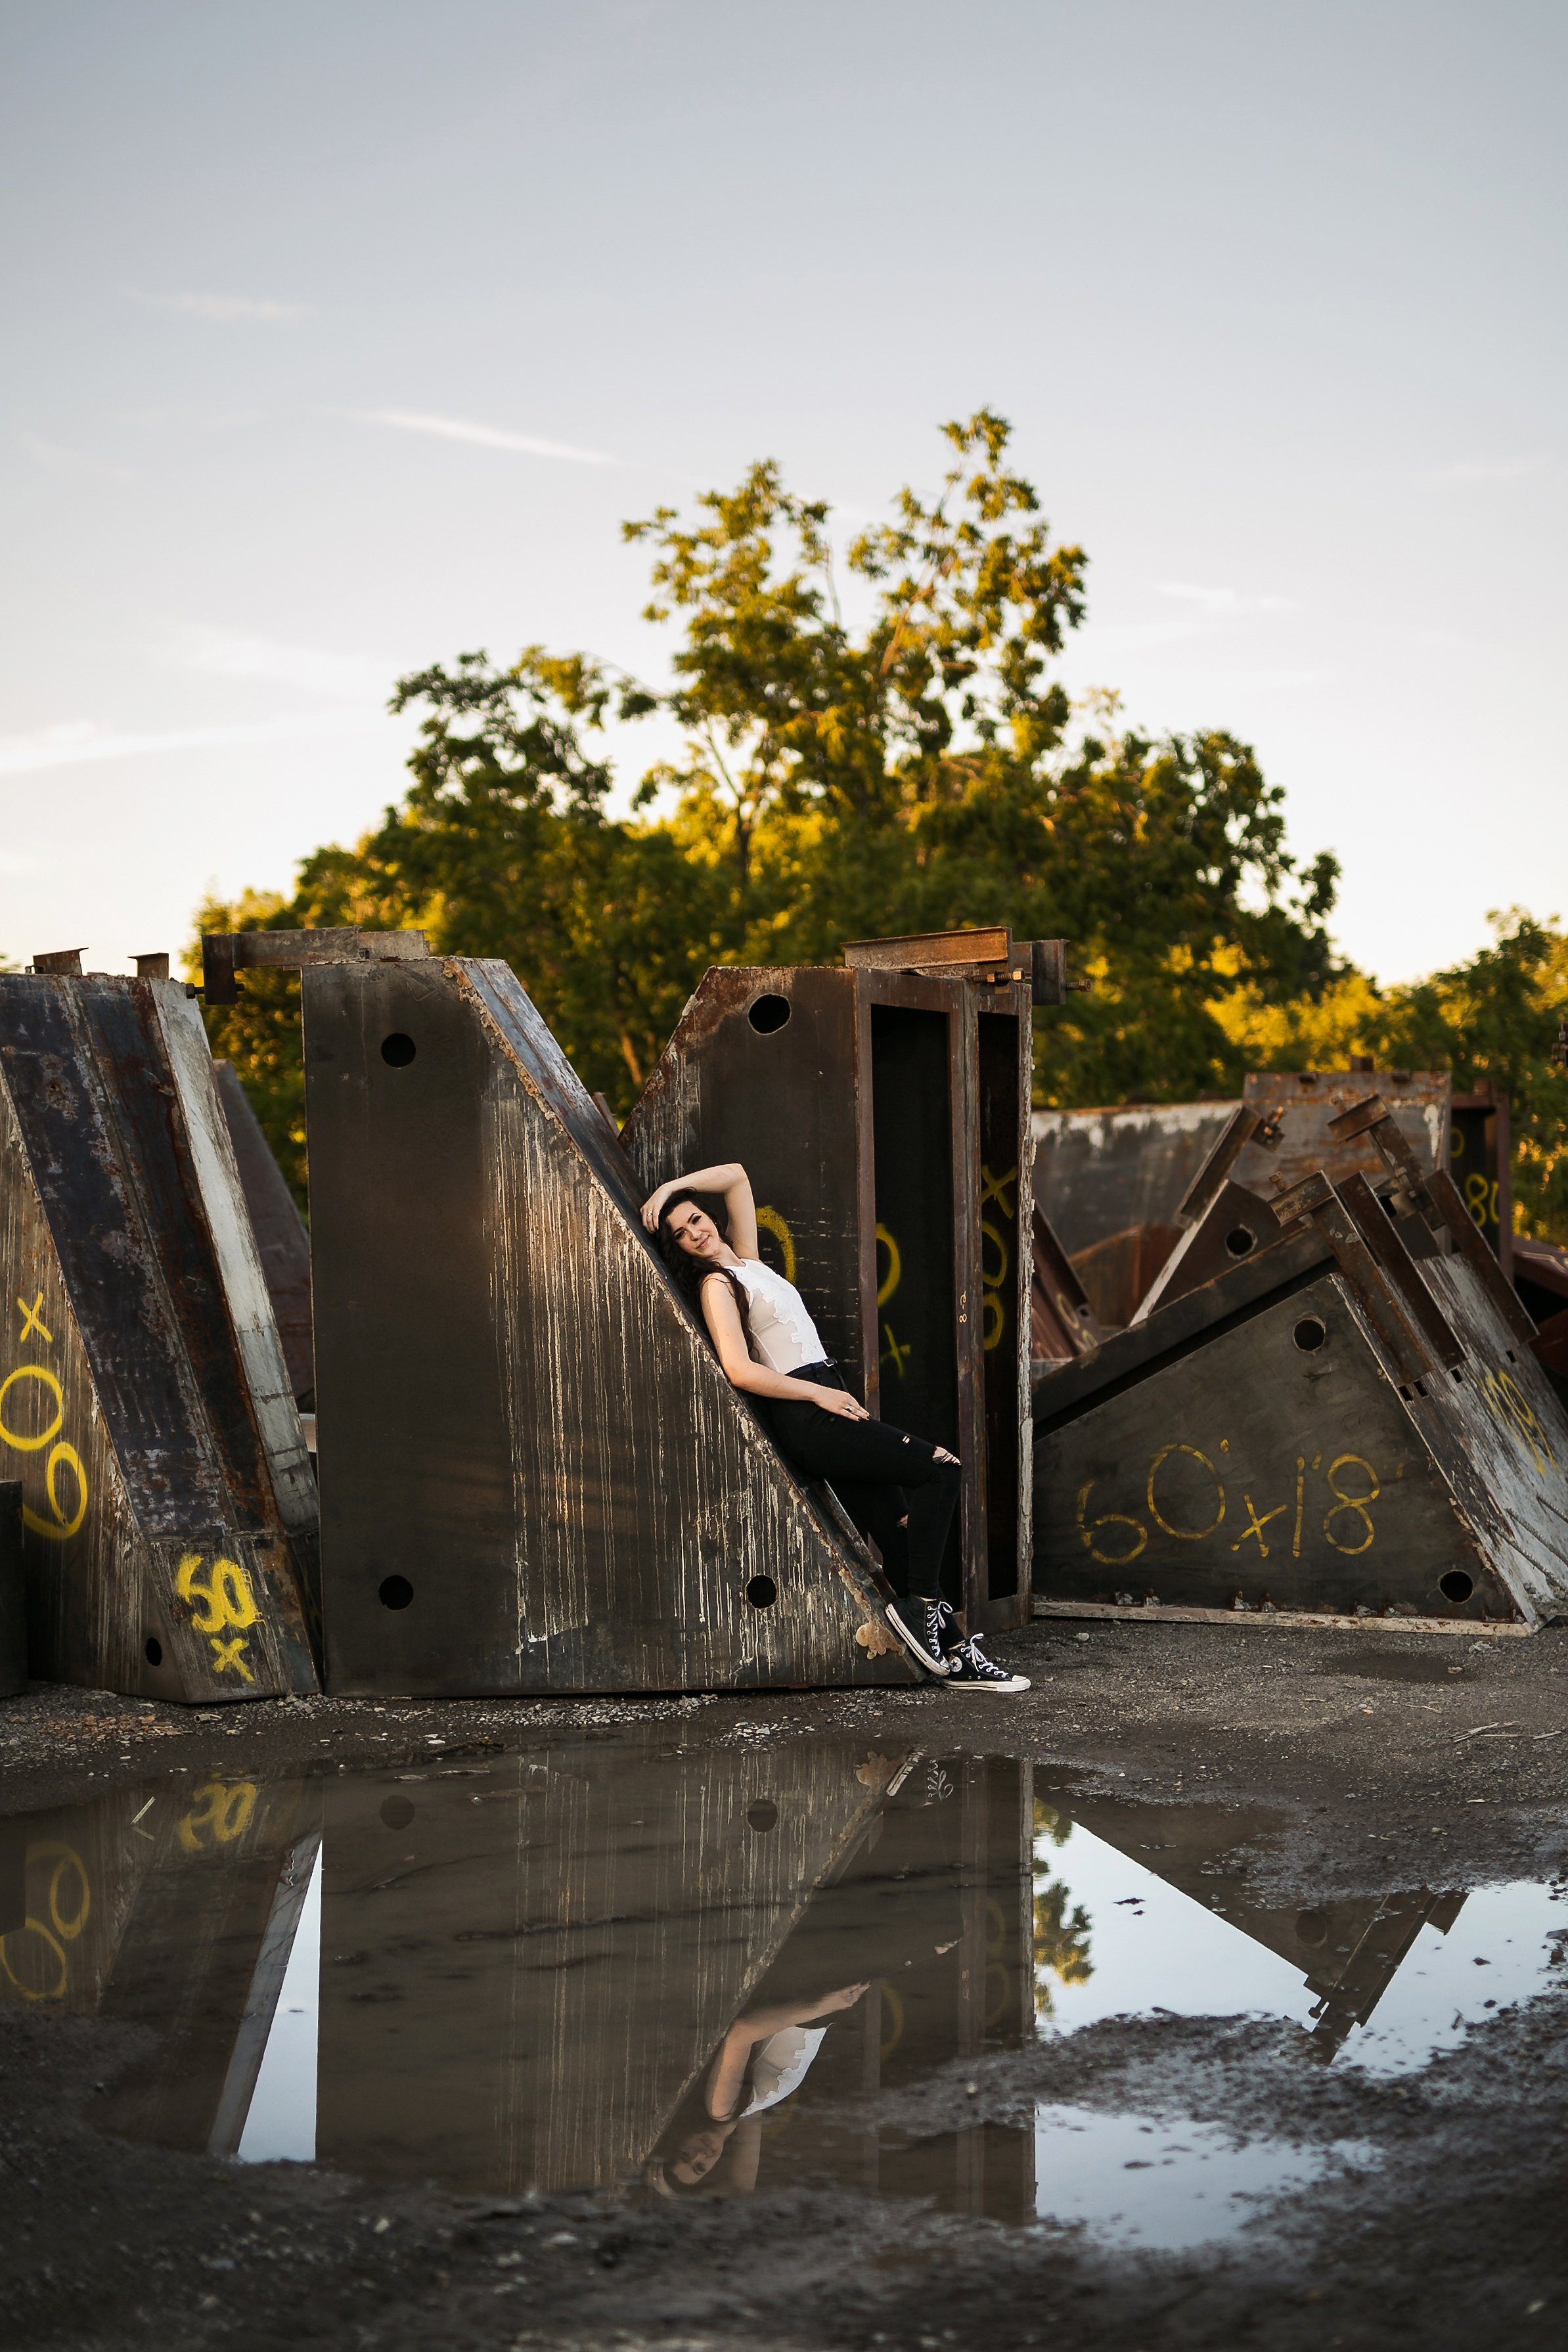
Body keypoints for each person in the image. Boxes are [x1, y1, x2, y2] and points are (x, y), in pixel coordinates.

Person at [640, 1160, 1029, 1692]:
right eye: (681, 1235)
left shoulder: (749, 1262)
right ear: (679, 1250)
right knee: (939, 1470)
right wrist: (820, 1393)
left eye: (695, 1221)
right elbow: (739, 1369)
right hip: (808, 1414)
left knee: (896, 1531)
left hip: (826, 1401)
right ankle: (920, 1610)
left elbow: (735, 1176)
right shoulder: (717, 1284)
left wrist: (669, 1189)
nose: (695, 1235)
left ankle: (957, 1654)